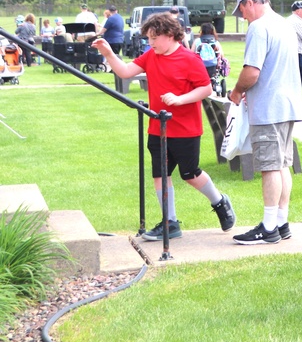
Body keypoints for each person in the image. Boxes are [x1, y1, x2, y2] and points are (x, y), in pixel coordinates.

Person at [94, 12, 236, 241]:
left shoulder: (190, 59)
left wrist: (180, 99)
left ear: (170, 35)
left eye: (153, 38)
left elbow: (206, 89)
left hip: (186, 129)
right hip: (158, 128)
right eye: (148, 39)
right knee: (161, 174)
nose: (150, 43)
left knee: (190, 174)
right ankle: (170, 222)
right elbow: (125, 72)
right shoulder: (151, 56)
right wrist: (109, 53)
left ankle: (219, 201)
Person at [229, 0, 302, 245]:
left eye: (242, 11)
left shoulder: (259, 27)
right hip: (288, 103)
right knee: (283, 164)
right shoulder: (285, 24)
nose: (243, 17)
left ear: (249, 3)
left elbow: (252, 71)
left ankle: (269, 227)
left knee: (270, 166)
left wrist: (237, 90)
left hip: (269, 107)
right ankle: (282, 222)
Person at [287, 0, 302, 87]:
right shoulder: (296, 21)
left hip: (292, 54)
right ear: (298, 11)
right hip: (299, 55)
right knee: (298, 84)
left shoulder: (291, 20)